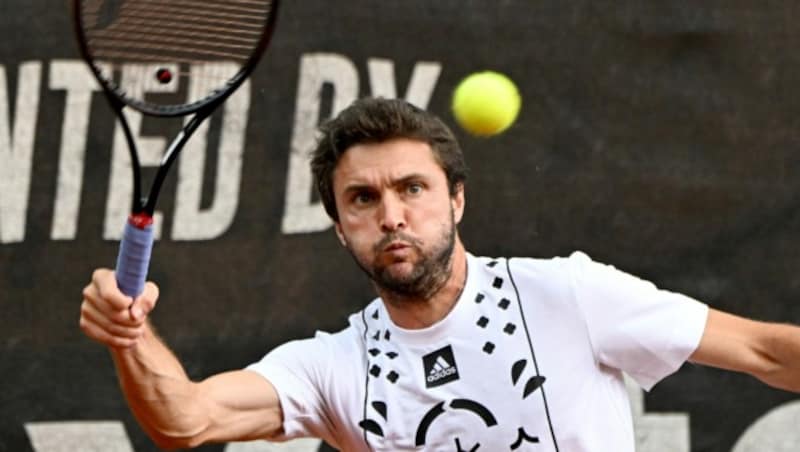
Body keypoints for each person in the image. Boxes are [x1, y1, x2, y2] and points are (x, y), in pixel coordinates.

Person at [80, 98, 800, 451]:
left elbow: (766, 352)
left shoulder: (569, 295)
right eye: (363, 198)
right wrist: (127, 336)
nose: (391, 214)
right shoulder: (333, 367)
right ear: (340, 227)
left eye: (412, 189)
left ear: (456, 199)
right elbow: (186, 420)